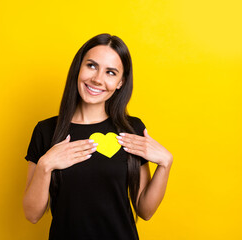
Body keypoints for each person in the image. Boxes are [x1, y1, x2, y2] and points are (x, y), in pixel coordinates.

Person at [23, 33, 173, 240]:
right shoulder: (46, 130)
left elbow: (145, 211)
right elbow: (32, 214)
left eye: (111, 72)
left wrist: (165, 164)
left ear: (120, 82)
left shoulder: (132, 129)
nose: (97, 79)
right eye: (91, 66)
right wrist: (45, 165)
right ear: (78, 68)